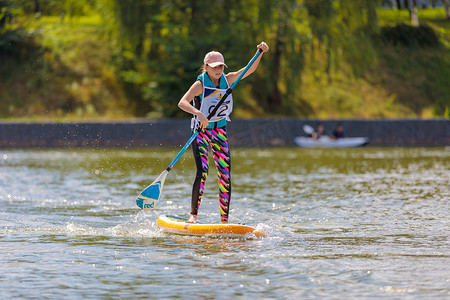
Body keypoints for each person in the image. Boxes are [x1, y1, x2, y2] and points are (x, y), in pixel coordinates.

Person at [178, 42, 269, 224]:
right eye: (214, 67)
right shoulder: (199, 85)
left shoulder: (228, 79)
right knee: (203, 171)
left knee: (225, 175)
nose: (218, 70)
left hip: (220, 130)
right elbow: (182, 102)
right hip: (201, 132)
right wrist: (198, 113)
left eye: (220, 66)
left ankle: (224, 221)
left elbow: (249, 69)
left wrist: (260, 53)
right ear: (206, 67)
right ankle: (193, 216)